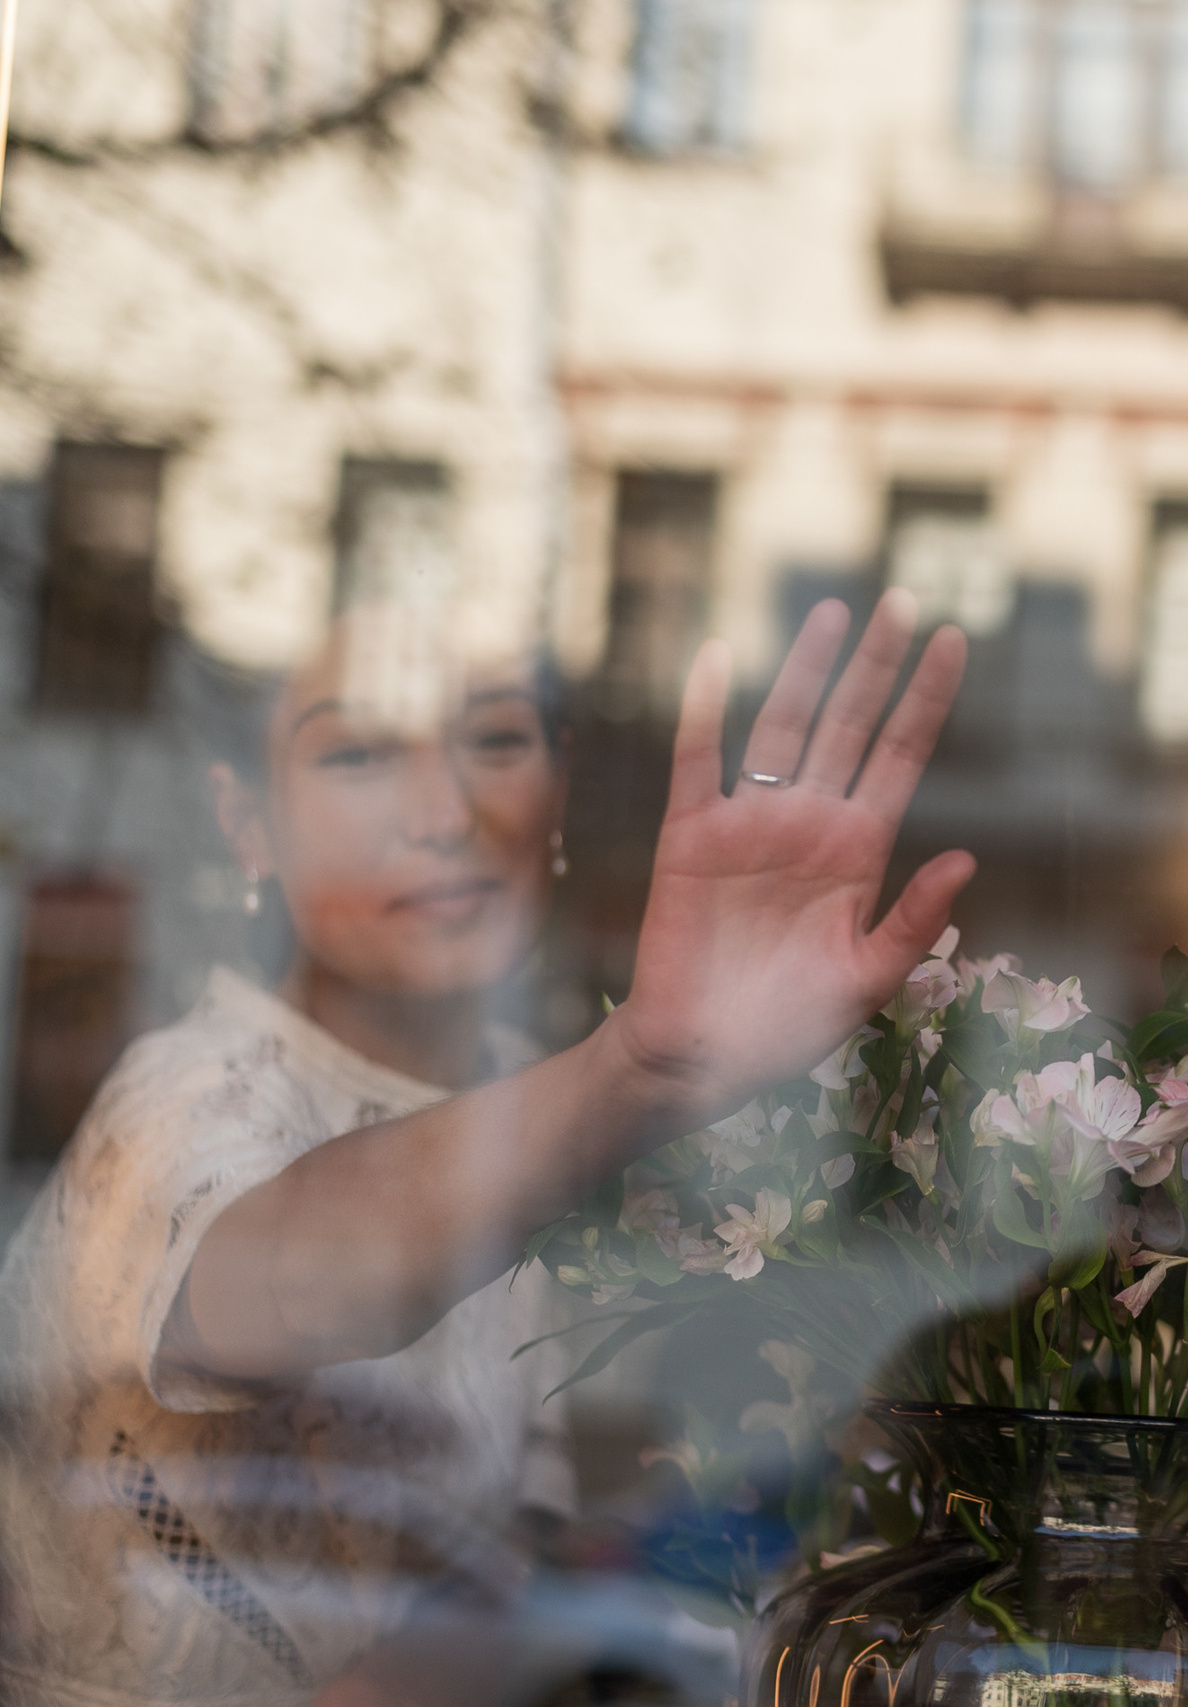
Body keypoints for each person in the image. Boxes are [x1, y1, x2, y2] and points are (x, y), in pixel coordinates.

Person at [0, 591, 974, 1706]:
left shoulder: (524, 1099)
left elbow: (496, 1564)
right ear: (246, 823)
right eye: (357, 753)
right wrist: (640, 1067)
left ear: (554, 799)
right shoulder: (179, 1100)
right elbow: (300, 1275)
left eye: (498, 739)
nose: (442, 809)